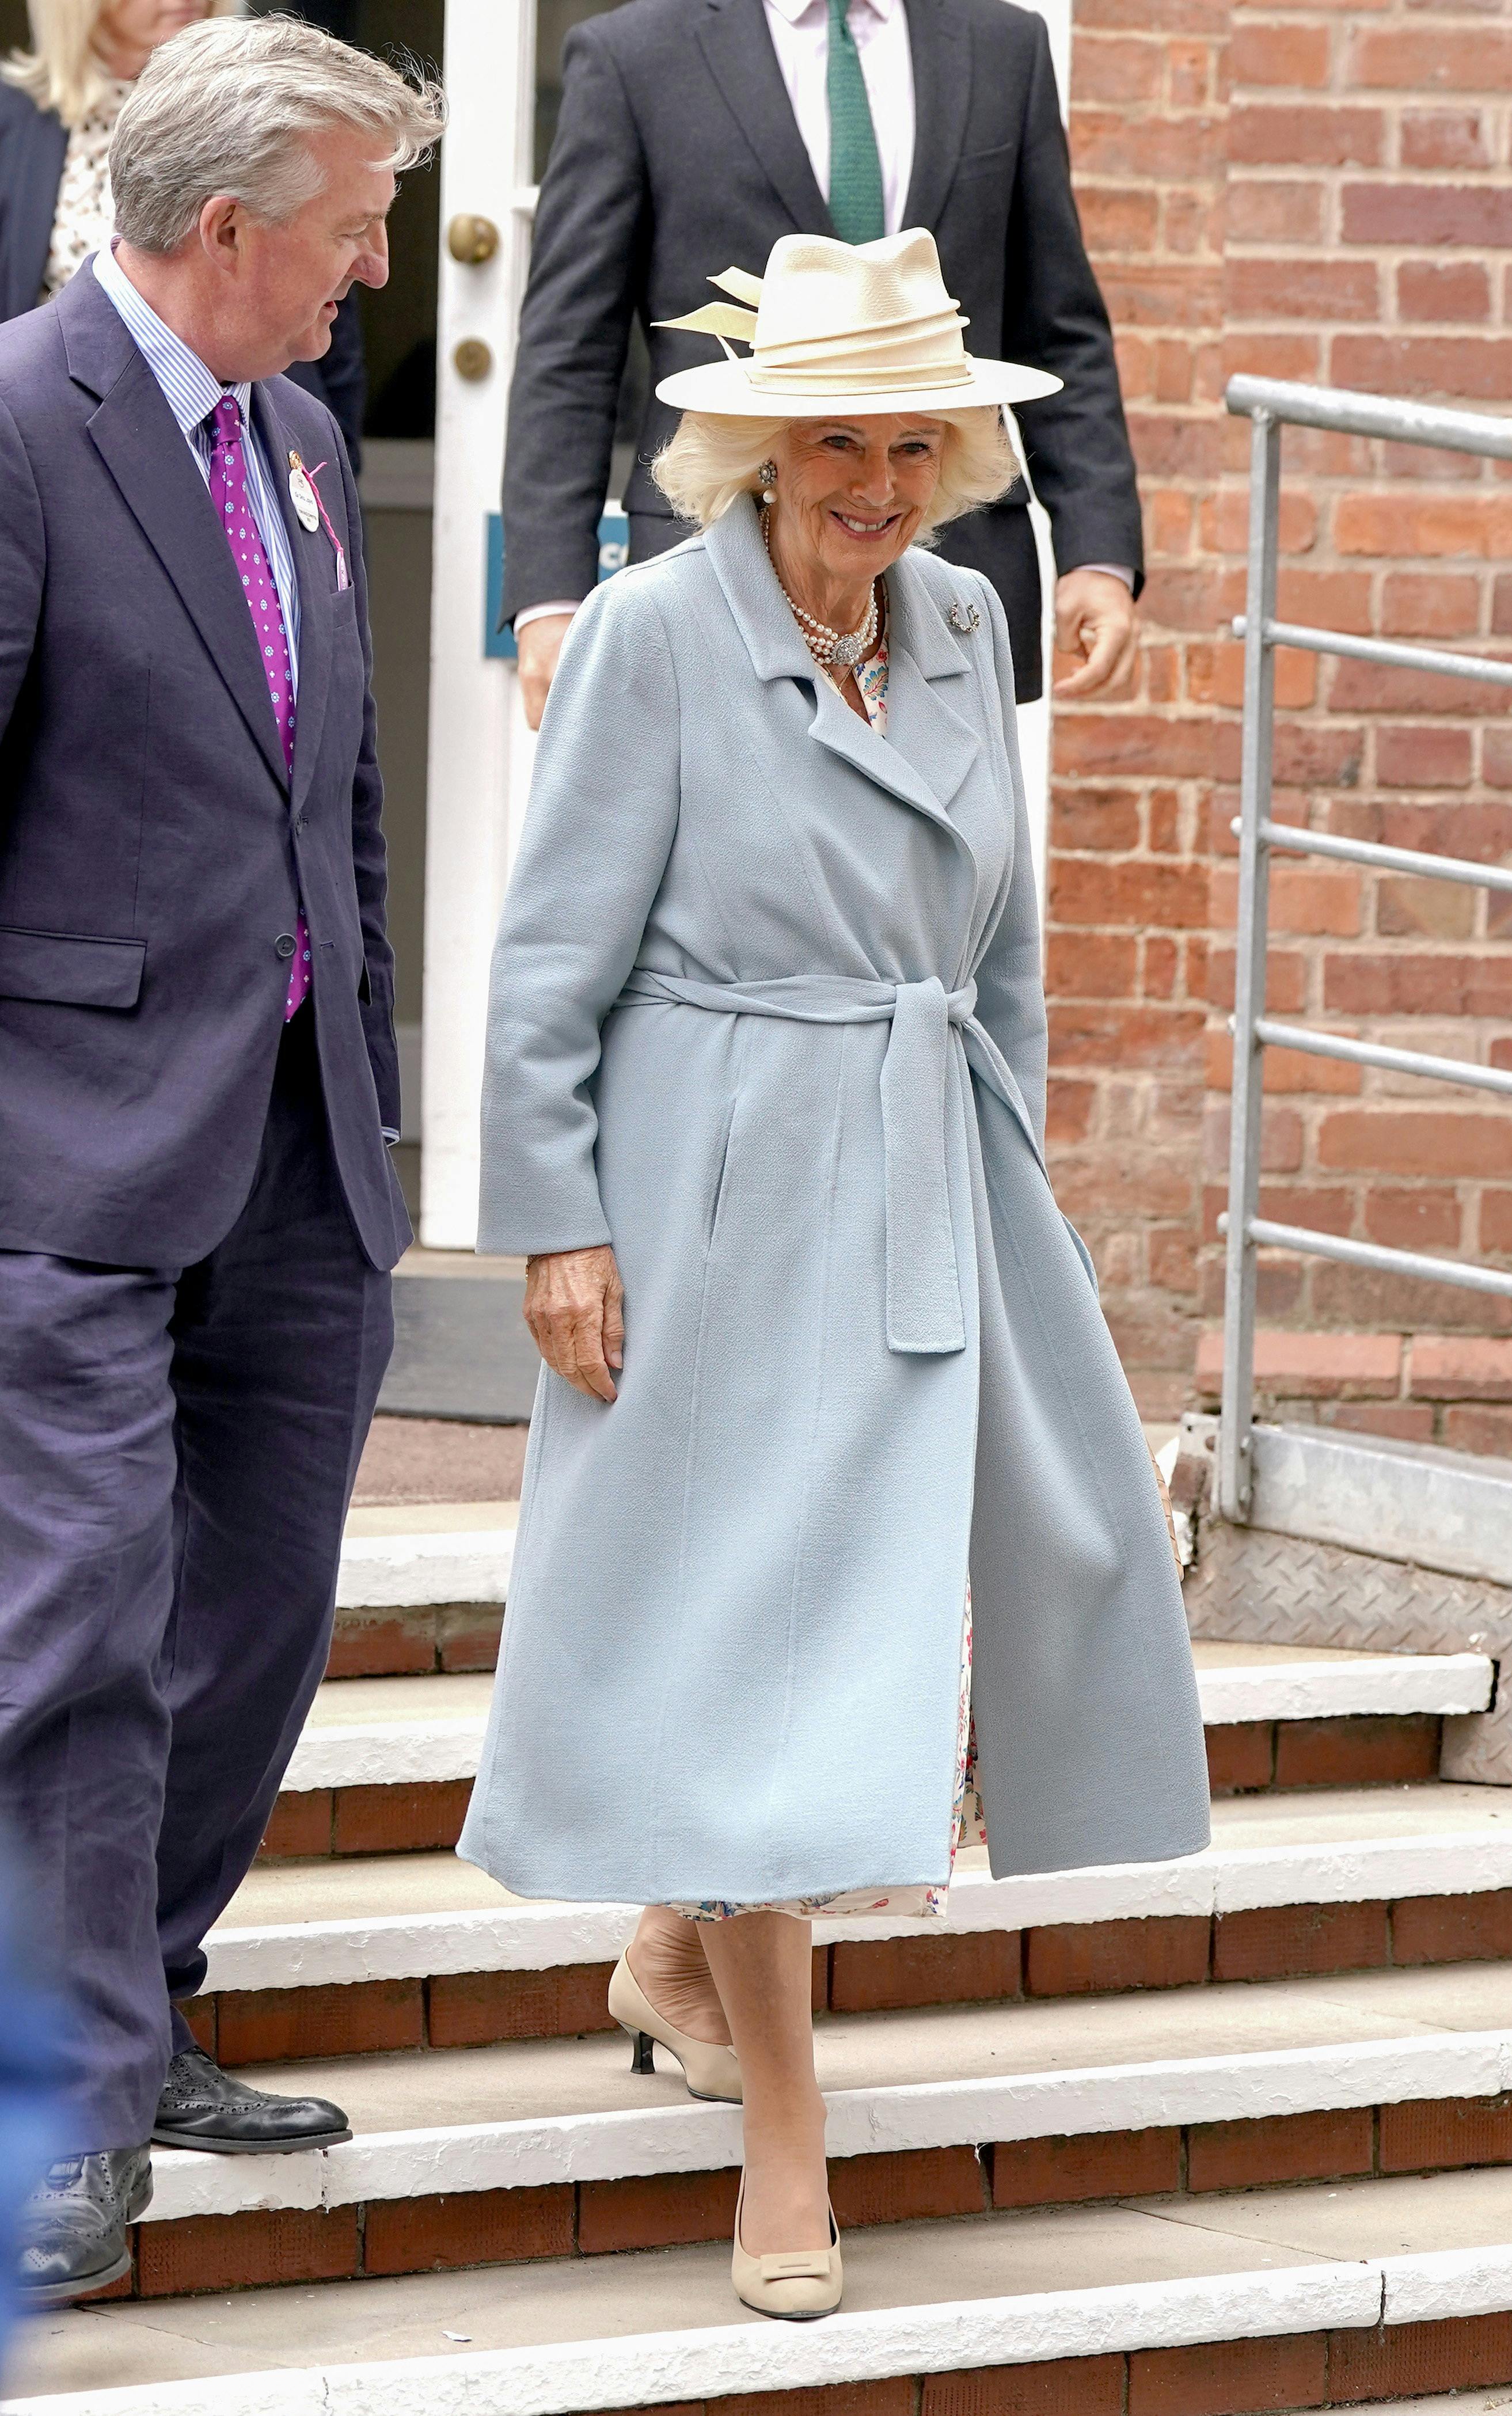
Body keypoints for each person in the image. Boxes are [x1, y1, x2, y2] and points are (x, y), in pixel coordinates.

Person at [463, 229, 1210, 2320]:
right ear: (753, 450)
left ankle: (680, 1944)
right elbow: (544, 960)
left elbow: (1001, 950)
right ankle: (785, 2132)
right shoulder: (644, 632)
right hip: (703, 1178)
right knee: (763, 1644)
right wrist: (556, 1218)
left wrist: (1013, 1185)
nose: (872, 481)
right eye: (833, 443)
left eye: (911, 440)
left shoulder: (968, 622)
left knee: (909, 1614)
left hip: (917, 1160)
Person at [0, 16, 441, 2308]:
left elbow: (332, 816)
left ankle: (143, 2001)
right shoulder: (14, 420)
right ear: (234, 222)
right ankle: (59, 2100)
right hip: (60, 1151)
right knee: (71, 1630)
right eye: (359, 227)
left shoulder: (285, 436)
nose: (379, 268)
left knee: (250, 1606)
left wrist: (368, 1107)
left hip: (292, 1159)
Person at [500, 0, 1145, 730]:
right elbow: (571, 349)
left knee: (952, 844)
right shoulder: (632, 54)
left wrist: (1097, 553)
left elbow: (1059, 329)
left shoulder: (1006, 45)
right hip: (715, 565)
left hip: (956, 564)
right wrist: (550, 601)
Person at [0, 0, 368, 462]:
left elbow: (335, 289)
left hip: (259, 450)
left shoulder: (272, 108)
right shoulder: (14, 123)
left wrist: (333, 456)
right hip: (72, 457)